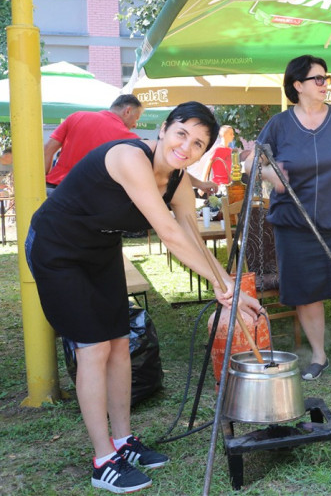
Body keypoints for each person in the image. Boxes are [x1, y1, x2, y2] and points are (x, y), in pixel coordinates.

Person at [26, 102, 261, 493]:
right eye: (181, 133)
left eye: (198, 143)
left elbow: (190, 235)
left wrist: (226, 284)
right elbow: (169, 234)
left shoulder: (178, 179)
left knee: (120, 343)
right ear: (164, 129)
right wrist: (227, 286)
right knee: (93, 348)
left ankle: (122, 441)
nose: (186, 147)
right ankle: (103, 460)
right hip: (57, 249)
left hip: (100, 252)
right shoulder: (128, 157)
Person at [257, 54, 331, 381]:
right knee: (306, 293)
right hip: (294, 224)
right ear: (298, 85)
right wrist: (272, 173)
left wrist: (328, 183)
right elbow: (258, 165)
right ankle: (318, 357)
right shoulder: (279, 125)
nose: (325, 84)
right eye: (318, 79)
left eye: (326, 78)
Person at [44, 94, 142, 192]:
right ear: (127, 111)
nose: (135, 125)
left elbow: (48, 150)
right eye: (136, 118)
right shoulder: (130, 140)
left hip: (55, 187)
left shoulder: (76, 116)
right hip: (89, 196)